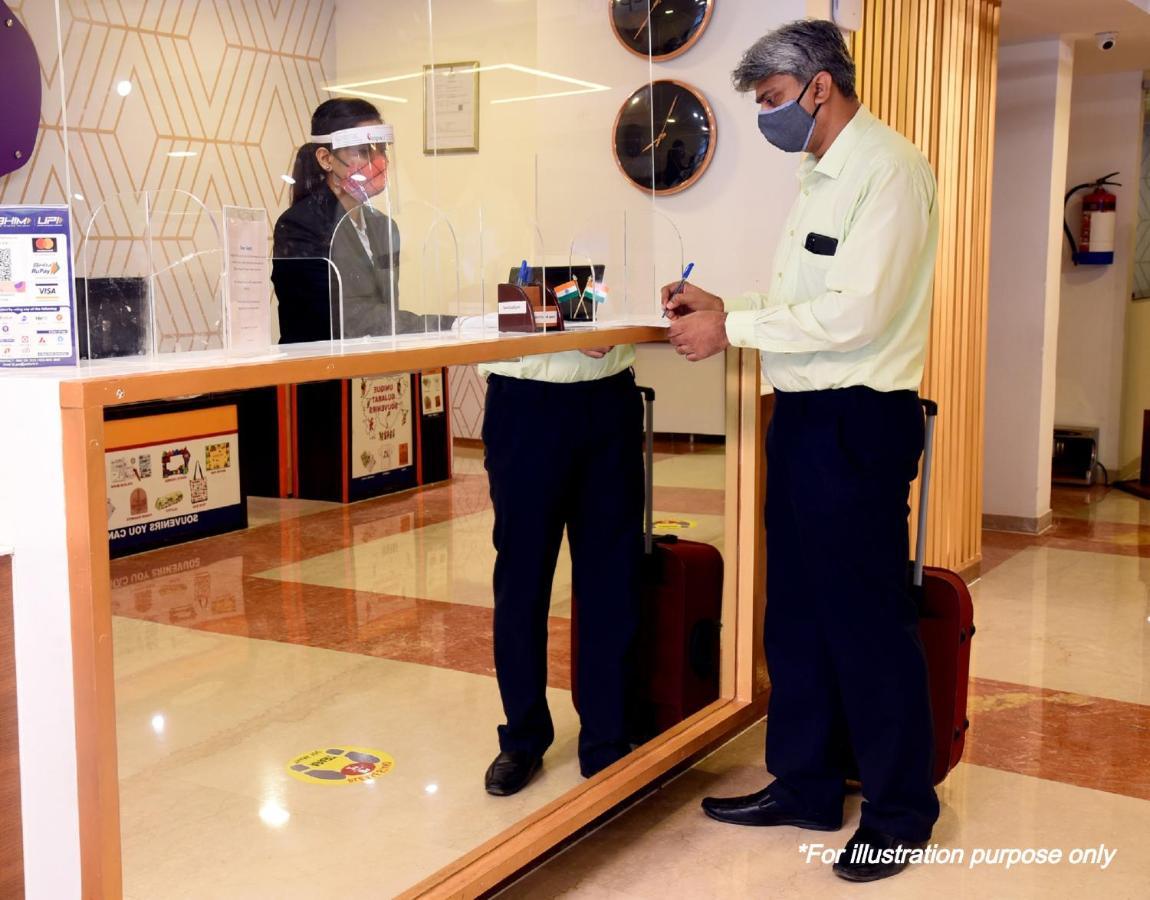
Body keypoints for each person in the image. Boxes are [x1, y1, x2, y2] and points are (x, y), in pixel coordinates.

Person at [661, 20, 940, 883]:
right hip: (808, 419)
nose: (768, 118)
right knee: (799, 613)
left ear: (820, 86)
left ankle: (900, 811)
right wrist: (725, 301)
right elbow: (803, 299)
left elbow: (857, 313)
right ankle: (807, 784)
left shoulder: (888, 170)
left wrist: (731, 329)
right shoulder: (817, 175)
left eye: (774, 100)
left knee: (864, 620)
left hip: (860, 420)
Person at [480, 338, 643, 796]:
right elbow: (469, 306)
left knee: (612, 578)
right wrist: (565, 331)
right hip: (524, 399)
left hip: (610, 399)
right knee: (523, 580)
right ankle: (523, 735)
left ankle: (607, 737)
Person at [272, 98, 444, 342]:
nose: (379, 161)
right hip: (321, 372)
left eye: (382, 150)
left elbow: (386, 315)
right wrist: (447, 325)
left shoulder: (384, 227)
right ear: (326, 159)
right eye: (364, 152)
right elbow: (346, 317)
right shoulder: (299, 226)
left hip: (374, 368)